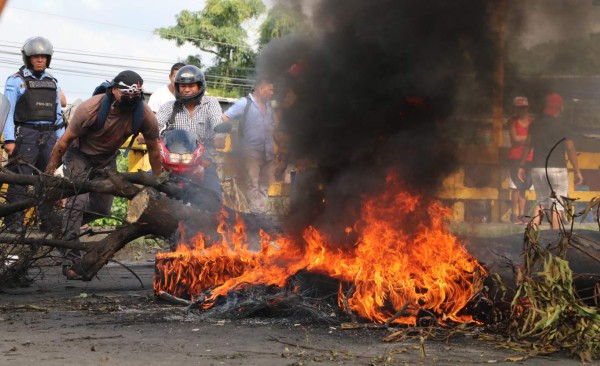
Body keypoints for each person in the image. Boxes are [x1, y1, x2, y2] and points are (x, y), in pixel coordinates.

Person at [45, 70, 163, 279]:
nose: (130, 99)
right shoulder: (91, 108)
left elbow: (154, 150)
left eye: (135, 95)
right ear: (114, 90)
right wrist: (47, 175)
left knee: (102, 208)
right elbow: (63, 142)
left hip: (106, 160)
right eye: (125, 94)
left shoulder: (143, 115)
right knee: (77, 201)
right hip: (79, 155)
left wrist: (159, 181)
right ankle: (70, 259)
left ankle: (62, 223)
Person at [2, 36, 65, 233]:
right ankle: (14, 223)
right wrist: (10, 139)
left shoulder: (52, 82)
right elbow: (8, 112)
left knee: (48, 180)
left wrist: (62, 140)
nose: (39, 60)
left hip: (49, 136)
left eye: (43, 57)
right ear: (28, 58)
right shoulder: (16, 80)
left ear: (48, 59)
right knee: (20, 180)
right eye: (35, 57)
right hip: (26, 134)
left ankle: (47, 221)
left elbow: (58, 114)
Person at [155, 65, 225, 212]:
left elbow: (217, 122)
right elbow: (155, 124)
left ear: (200, 86)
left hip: (203, 159)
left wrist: (219, 135)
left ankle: (213, 226)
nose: (186, 89)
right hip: (172, 162)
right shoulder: (169, 107)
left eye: (191, 86)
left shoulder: (210, 103)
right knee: (148, 188)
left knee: (215, 198)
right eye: (183, 86)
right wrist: (148, 134)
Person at [518, 92, 584, 229]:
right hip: (557, 169)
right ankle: (554, 241)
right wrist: (577, 171)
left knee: (541, 202)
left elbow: (527, 145)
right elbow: (570, 148)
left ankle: (531, 237)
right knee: (557, 205)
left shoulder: (535, 124)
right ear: (560, 108)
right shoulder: (564, 124)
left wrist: (521, 166)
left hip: (537, 169)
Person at [223, 77, 276, 214]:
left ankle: (260, 214)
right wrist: (222, 135)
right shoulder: (244, 104)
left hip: (268, 154)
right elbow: (224, 118)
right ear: (261, 88)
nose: (272, 93)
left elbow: (273, 127)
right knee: (252, 185)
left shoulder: (269, 106)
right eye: (270, 90)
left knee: (264, 186)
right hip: (251, 154)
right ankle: (256, 218)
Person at [507, 96, 533, 224]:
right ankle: (514, 213)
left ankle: (522, 214)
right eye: (518, 108)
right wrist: (529, 138)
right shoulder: (512, 121)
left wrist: (524, 138)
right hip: (515, 157)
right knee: (516, 187)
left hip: (529, 157)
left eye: (523, 108)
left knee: (524, 187)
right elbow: (514, 139)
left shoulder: (532, 122)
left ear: (527, 108)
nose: (521, 110)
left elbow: (520, 138)